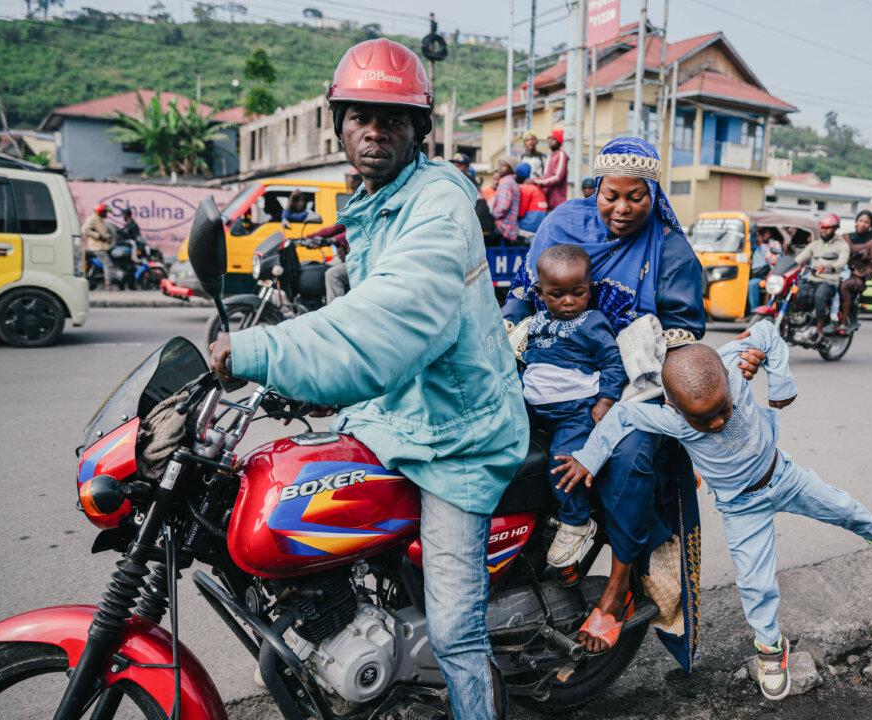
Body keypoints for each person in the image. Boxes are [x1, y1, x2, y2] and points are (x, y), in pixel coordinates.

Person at [207, 38, 527, 720]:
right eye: (360, 115)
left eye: (392, 117)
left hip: (456, 438)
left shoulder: (438, 206)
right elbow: (359, 297)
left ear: (421, 129)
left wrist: (258, 349)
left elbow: (386, 322)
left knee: (455, 632)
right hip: (394, 414)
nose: (374, 129)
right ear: (339, 124)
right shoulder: (378, 198)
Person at [505, 136, 765, 670]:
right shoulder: (561, 226)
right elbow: (525, 291)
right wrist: (506, 330)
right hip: (547, 373)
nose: (621, 209)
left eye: (635, 198)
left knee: (626, 462)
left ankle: (619, 586)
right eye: (610, 196)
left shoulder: (669, 250)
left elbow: (686, 334)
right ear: (594, 189)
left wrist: (636, 377)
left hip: (629, 386)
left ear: (653, 195)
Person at [553, 321, 872, 701]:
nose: (716, 422)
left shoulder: (731, 364)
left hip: (785, 475)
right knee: (754, 584)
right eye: (701, 420)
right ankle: (771, 649)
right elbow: (621, 417)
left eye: (722, 409)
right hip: (742, 508)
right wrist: (587, 459)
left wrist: (781, 385)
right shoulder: (668, 417)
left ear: (728, 382)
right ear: (675, 408)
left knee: (843, 507)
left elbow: (767, 332)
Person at [522, 244, 626, 577]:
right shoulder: (536, 322)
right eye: (557, 295)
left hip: (575, 412)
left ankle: (576, 521)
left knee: (563, 464)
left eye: (577, 293)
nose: (568, 301)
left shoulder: (592, 322)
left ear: (590, 289)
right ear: (540, 293)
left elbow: (613, 362)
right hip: (534, 407)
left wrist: (605, 400)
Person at [795, 213, 849, 340]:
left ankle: (819, 330)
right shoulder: (815, 244)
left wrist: (828, 267)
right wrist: (789, 266)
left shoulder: (842, 245)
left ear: (835, 228)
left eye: (828, 227)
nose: (824, 230)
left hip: (829, 281)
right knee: (798, 292)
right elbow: (800, 258)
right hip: (812, 278)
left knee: (819, 296)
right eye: (823, 227)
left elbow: (842, 262)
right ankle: (800, 321)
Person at [838, 210, 872, 331]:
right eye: (860, 221)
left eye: (866, 222)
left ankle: (845, 320)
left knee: (844, 286)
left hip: (857, 277)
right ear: (856, 222)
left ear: (870, 225)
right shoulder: (844, 237)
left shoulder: (871, 243)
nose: (862, 224)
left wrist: (860, 273)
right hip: (837, 271)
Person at [532, 128, 569, 210]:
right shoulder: (549, 156)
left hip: (557, 202)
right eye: (548, 138)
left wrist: (536, 181)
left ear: (559, 141)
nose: (550, 141)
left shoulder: (561, 154)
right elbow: (545, 175)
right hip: (547, 199)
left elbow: (557, 177)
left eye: (553, 139)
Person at [83, 203, 115, 291]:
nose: (106, 214)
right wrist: (98, 236)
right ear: (100, 212)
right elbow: (85, 229)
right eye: (105, 212)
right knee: (108, 264)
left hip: (103, 246)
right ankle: (108, 285)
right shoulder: (93, 218)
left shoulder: (100, 219)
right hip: (97, 247)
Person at [747, 227, 780, 312]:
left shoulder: (774, 244)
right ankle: (754, 310)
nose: (766, 235)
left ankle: (772, 311)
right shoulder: (755, 247)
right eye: (762, 234)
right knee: (752, 284)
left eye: (767, 233)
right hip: (759, 276)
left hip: (773, 275)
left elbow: (777, 258)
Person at [489, 157, 521, 244]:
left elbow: (503, 206)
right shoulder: (513, 182)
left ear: (511, 168)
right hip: (510, 228)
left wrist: (492, 215)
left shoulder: (505, 182)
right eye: (499, 165)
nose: (499, 168)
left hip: (502, 227)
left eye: (503, 166)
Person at [514, 162, 549, 234]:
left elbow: (521, 212)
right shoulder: (537, 187)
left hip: (529, 225)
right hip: (541, 226)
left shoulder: (523, 188)